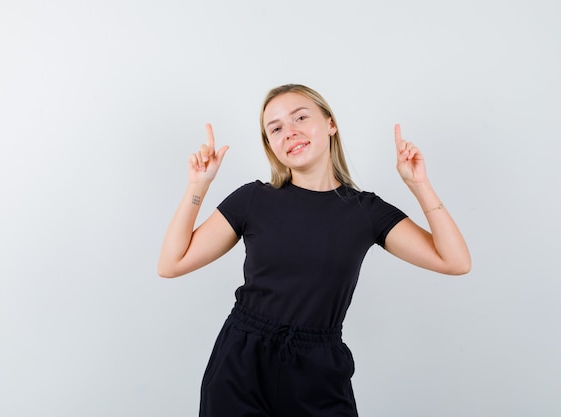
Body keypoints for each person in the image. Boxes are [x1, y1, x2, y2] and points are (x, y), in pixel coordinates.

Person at [158, 84, 471, 417]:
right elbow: (171, 263)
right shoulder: (253, 200)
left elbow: (454, 261)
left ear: (330, 124)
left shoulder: (366, 212)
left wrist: (419, 184)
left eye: (300, 118)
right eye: (275, 128)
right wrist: (198, 186)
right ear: (271, 145)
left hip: (318, 369)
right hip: (242, 362)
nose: (289, 133)